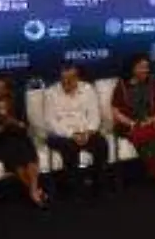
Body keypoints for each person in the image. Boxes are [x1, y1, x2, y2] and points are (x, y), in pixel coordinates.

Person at [0, 76, 46, 206]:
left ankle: (33, 190)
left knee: (27, 152)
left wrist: (11, 120)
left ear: (7, 90)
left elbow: (24, 126)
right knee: (16, 156)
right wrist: (1, 128)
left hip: (18, 138)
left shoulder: (16, 104)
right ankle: (35, 191)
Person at [112, 54, 155, 193]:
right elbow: (115, 111)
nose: (145, 70)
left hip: (153, 120)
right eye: (141, 67)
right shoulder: (122, 85)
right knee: (144, 133)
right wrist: (132, 123)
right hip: (131, 123)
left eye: (146, 67)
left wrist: (153, 119)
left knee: (153, 131)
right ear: (132, 68)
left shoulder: (154, 82)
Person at [43, 62, 110, 197]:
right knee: (69, 148)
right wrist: (72, 135)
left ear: (77, 77)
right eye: (64, 78)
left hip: (85, 131)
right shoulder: (51, 93)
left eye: (71, 78)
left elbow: (94, 115)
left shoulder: (87, 89)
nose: (67, 81)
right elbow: (50, 122)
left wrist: (89, 132)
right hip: (61, 135)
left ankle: (98, 184)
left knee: (101, 143)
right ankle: (75, 187)